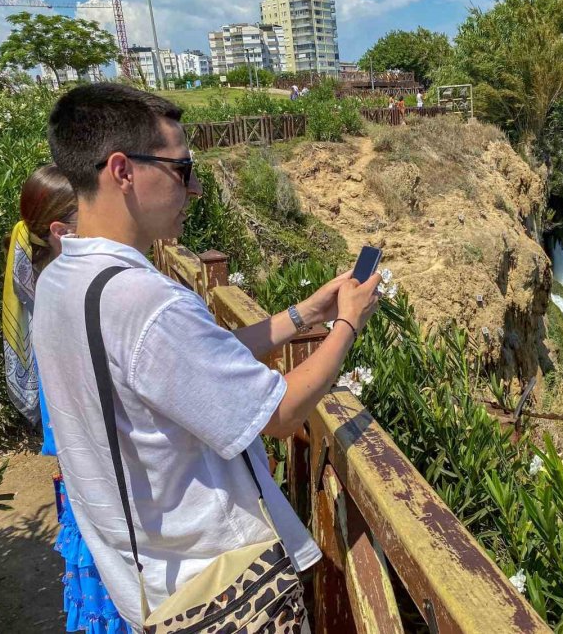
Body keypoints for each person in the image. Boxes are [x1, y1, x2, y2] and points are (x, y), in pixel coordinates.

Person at [34, 83, 381, 631]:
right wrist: (347, 324)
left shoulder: (62, 281)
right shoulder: (145, 301)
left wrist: (302, 316)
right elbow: (281, 413)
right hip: (219, 590)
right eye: (182, 169)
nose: (193, 189)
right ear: (122, 171)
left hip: (145, 581)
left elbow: (188, 370)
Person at [3, 164, 130, 633]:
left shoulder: (53, 292)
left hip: (83, 480)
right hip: (103, 489)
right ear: (60, 232)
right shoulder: (75, 299)